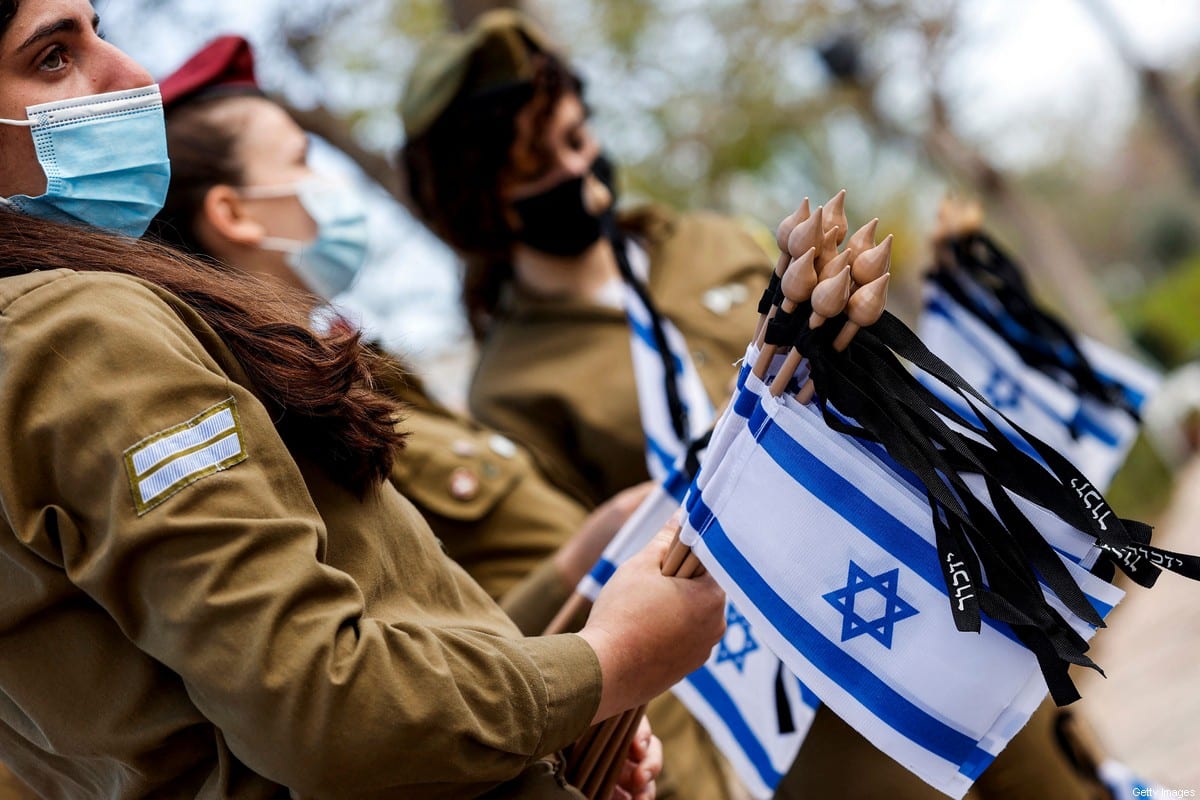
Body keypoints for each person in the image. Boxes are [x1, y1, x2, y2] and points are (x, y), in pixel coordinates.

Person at [0, 3, 726, 798]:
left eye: (99, 30)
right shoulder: (80, 331)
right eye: (54, 58)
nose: (131, 74)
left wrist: (553, 717)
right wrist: (609, 660)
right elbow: (324, 707)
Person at [400, 10, 1107, 800]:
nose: (582, 165)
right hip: (789, 669)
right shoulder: (510, 383)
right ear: (484, 197)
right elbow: (608, 569)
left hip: (912, 575)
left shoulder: (707, 243)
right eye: (543, 160)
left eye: (579, 134)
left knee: (1055, 774)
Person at [148, 34, 649, 636]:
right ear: (234, 214)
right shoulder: (279, 423)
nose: (329, 184)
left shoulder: (351, 375)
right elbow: (422, 661)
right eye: (301, 159)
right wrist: (584, 557)